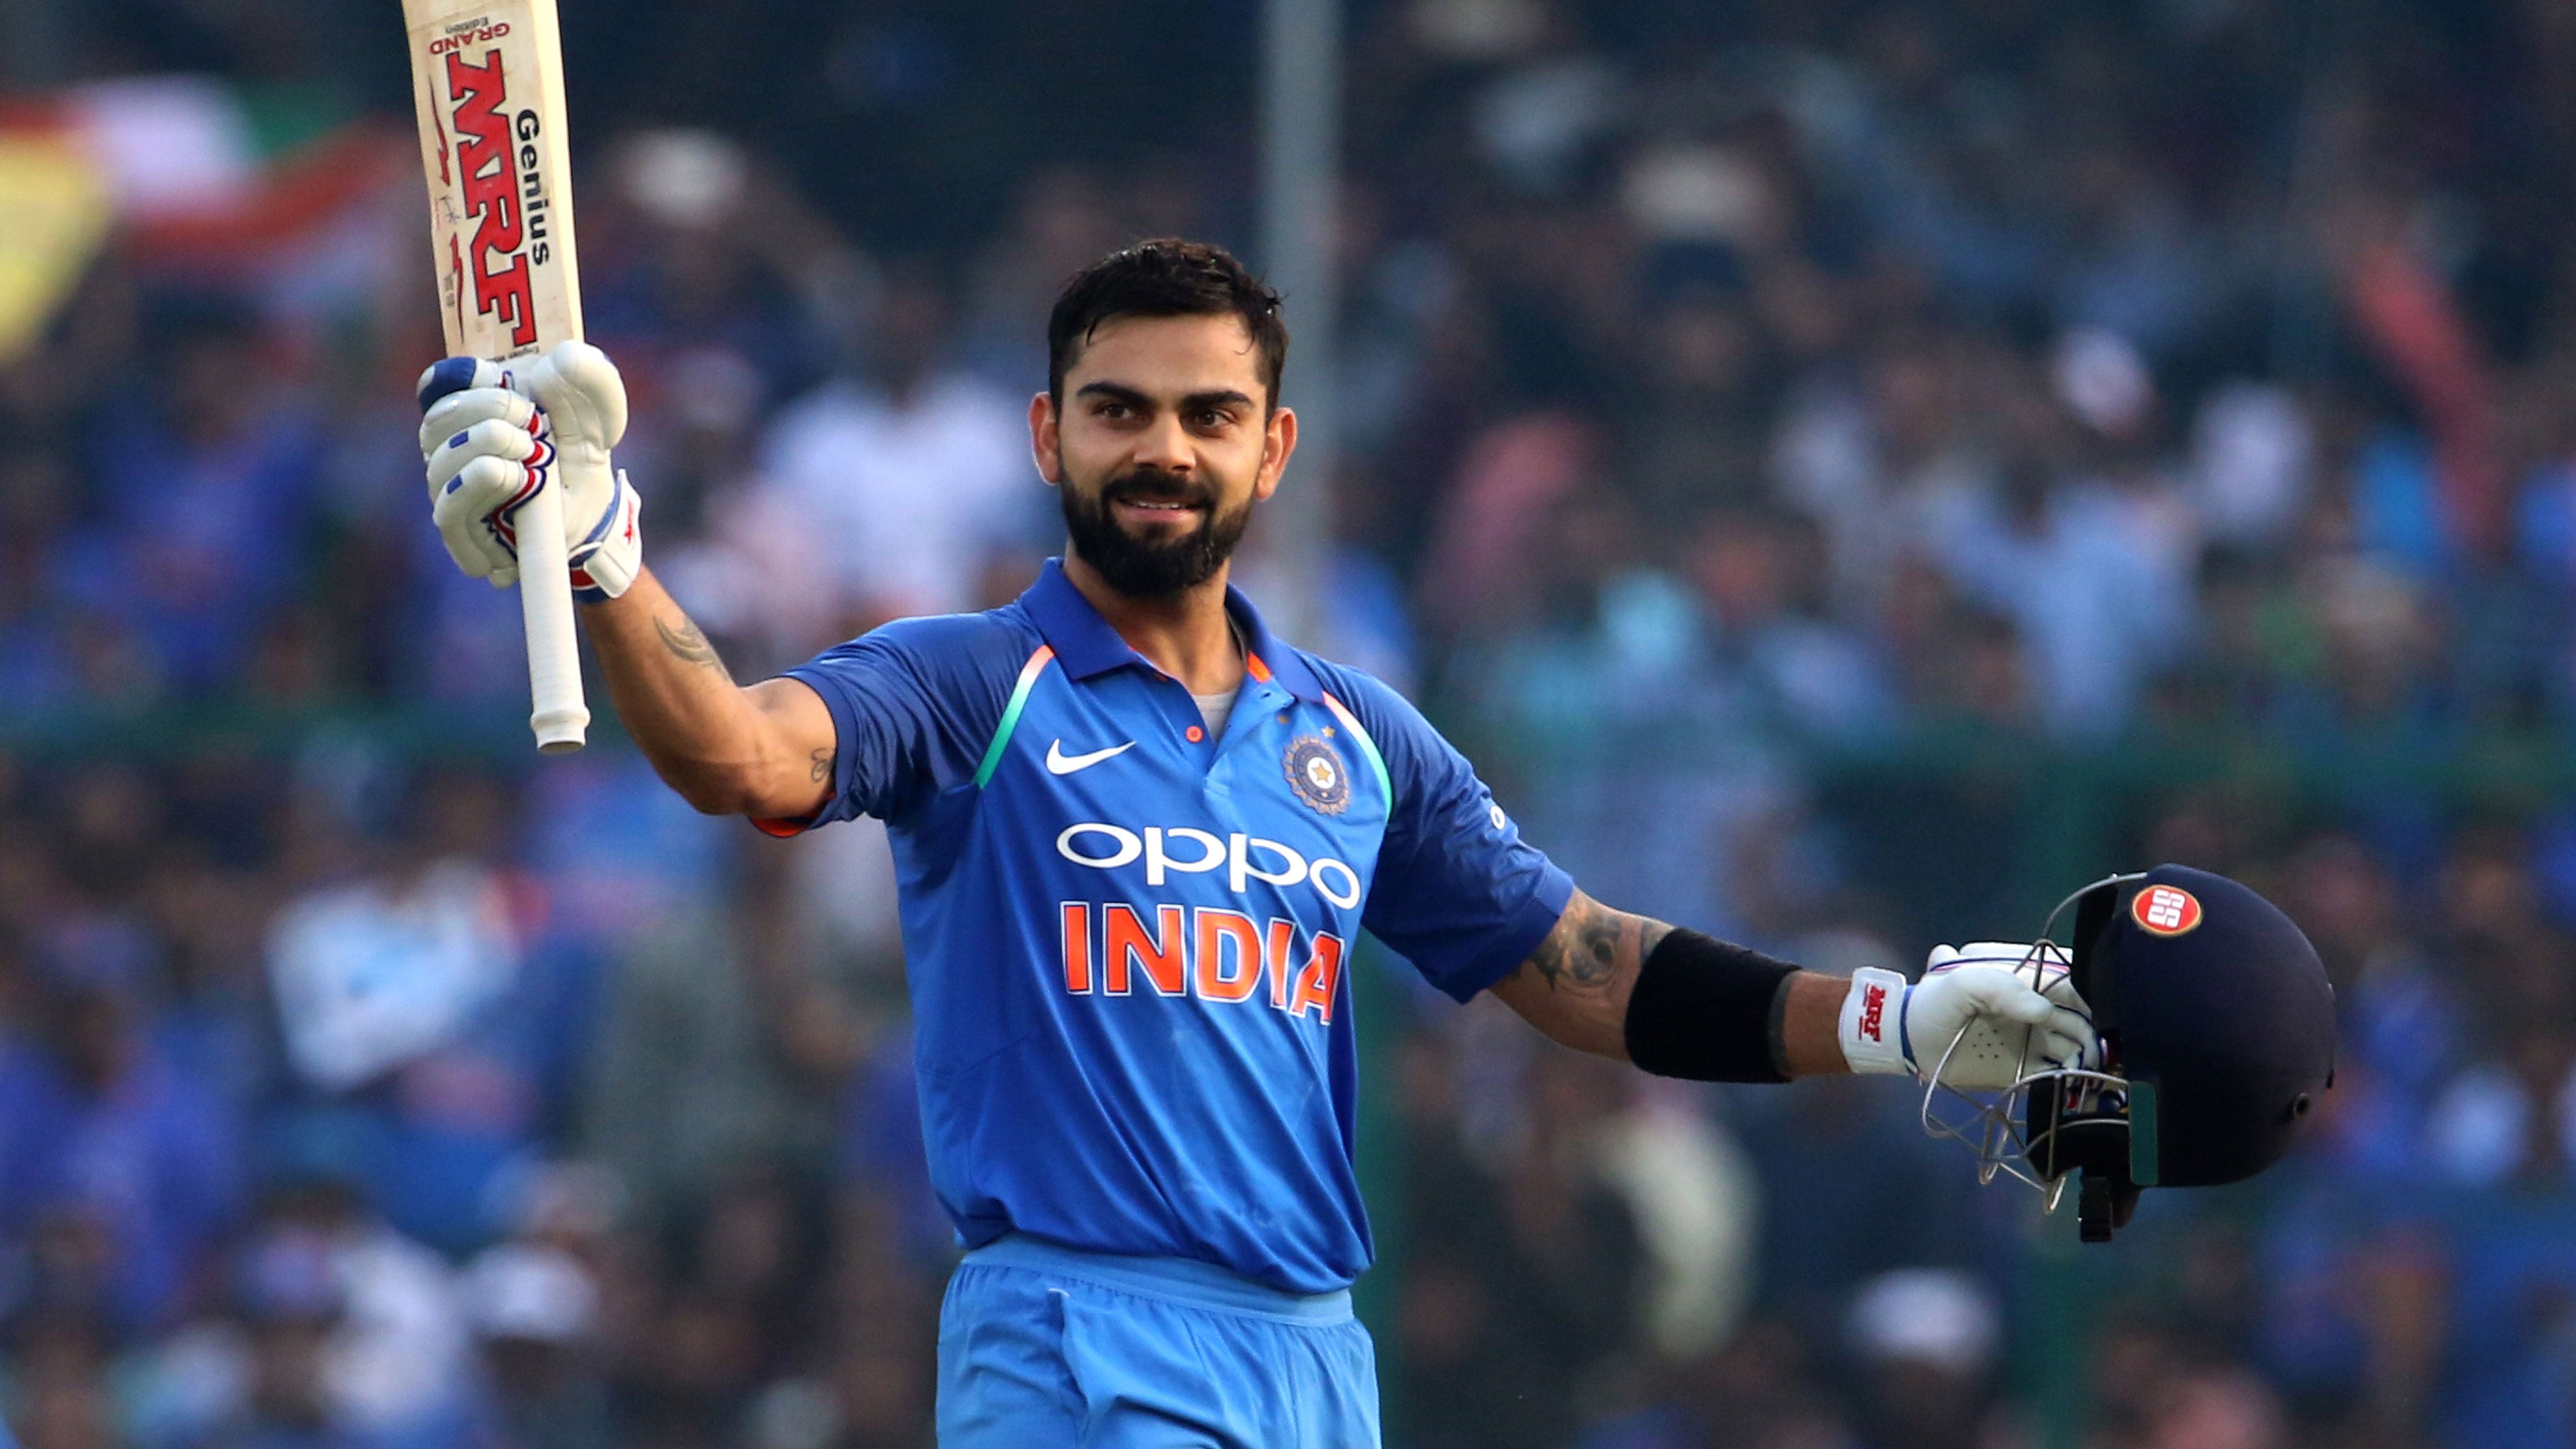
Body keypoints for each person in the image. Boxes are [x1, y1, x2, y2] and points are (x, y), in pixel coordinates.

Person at [413, 239, 2094, 1447]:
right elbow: (736, 754)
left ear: (1271, 449)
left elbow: (1588, 971)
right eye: (1119, 408)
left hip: (1310, 1360)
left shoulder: (1358, 737)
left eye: (1209, 414)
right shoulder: (970, 682)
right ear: (1049, 434)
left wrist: (1895, 1019)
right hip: (1073, 1339)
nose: (1164, 448)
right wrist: (605, 553)